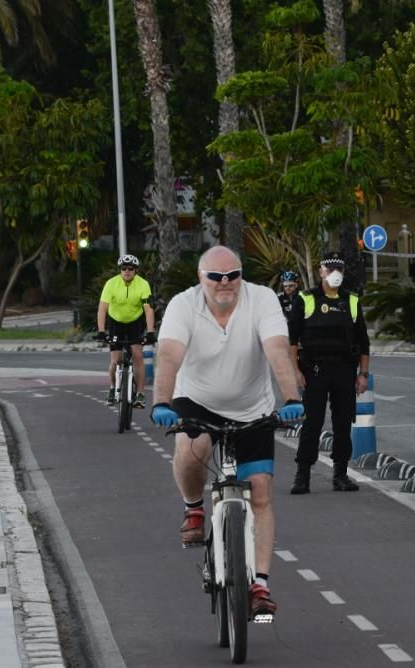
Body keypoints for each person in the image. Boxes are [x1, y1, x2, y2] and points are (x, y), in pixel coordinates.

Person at [149, 245, 305, 620]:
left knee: (262, 491)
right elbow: (169, 355)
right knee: (190, 447)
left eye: (233, 275)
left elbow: (277, 350)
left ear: (241, 276)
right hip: (196, 400)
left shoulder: (262, 299)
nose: (225, 283)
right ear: (200, 278)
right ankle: (194, 509)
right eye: (216, 277)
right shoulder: (183, 305)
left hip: (251, 406)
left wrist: (290, 397)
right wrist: (161, 402)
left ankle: (260, 585)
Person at [287, 251, 370, 494]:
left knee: (343, 423)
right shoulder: (305, 299)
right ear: (321, 271)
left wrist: (363, 374)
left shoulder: (351, 301)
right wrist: (295, 373)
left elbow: (364, 342)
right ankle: (302, 475)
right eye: (329, 269)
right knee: (312, 422)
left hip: (344, 370)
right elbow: (292, 341)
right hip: (314, 370)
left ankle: (340, 474)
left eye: (339, 270)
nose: (334, 274)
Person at [96, 254, 157, 408]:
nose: (127, 271)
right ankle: (112, 387)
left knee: (137, 356)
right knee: (115, 360)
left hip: (135, 323)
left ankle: (141, 393)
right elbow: (102, 308)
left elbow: (148, 310)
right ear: (120, 270)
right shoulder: (111, 284)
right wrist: (102, 331)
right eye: (124, 268)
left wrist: (150, 332)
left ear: (136, 271)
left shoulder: (143, 284)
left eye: (131, 269)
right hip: (116, 322)